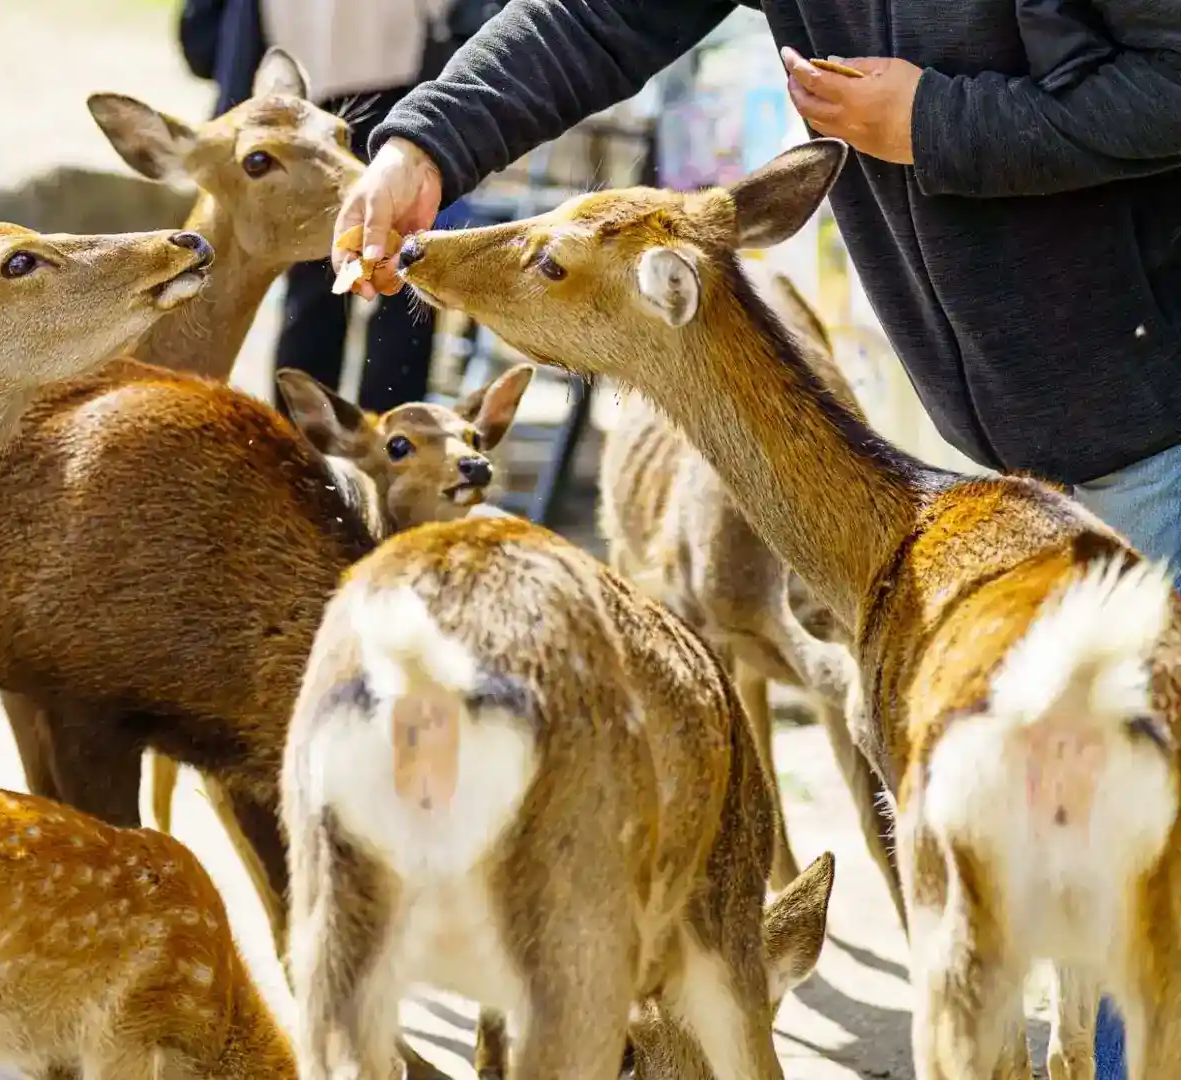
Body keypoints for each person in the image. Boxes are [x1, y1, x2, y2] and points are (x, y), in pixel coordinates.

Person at [333, 2, 1179, 1074]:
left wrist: (942, 123)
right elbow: (598, 15)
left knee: (1134, 947)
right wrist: (427, 143)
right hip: (1004, 451)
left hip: (1157, 429)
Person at [181, 0, 503, 410]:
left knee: (395, 263)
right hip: (309, 91)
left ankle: (364, 443)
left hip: (380, 89)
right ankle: (327, 445)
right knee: (370, 273)